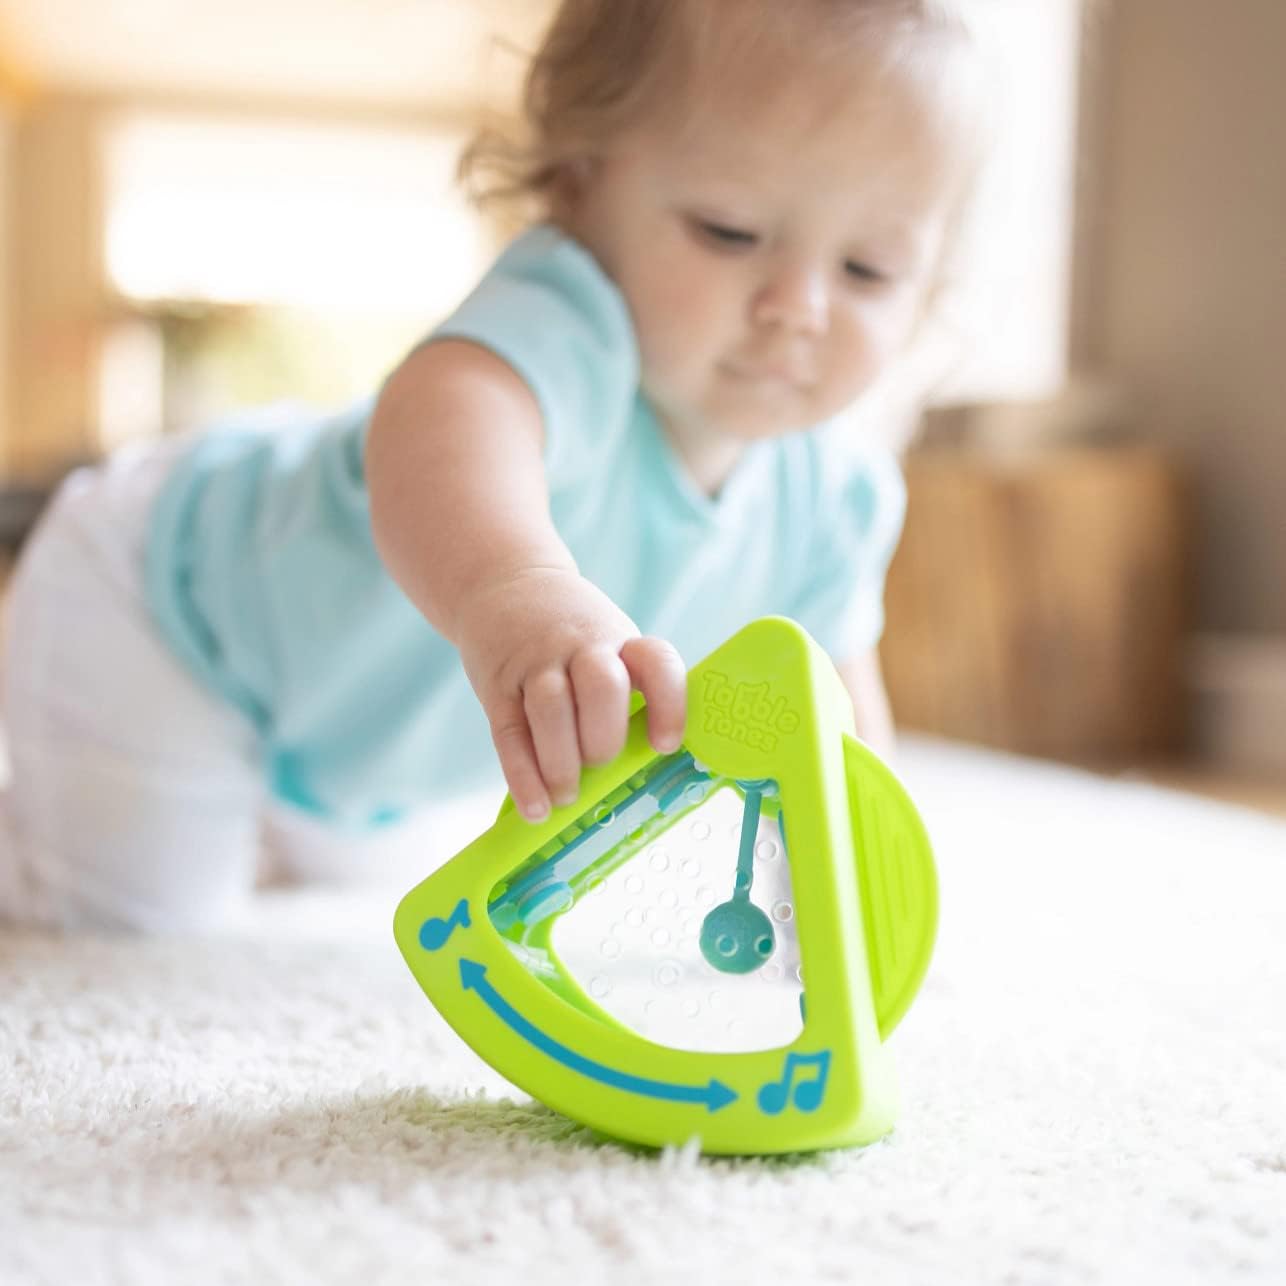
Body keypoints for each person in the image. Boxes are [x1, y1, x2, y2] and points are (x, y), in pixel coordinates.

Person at [0, 0, 986, 932]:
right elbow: (440, 422)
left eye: (868, 270)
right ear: (575, 185)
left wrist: (846, 883)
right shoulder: (564, 322)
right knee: (137, 918)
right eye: (729, 231)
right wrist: (515, 585)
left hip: (349, 737)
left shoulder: (838, 499)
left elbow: (835, 726)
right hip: (174, 610)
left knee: (356, 873)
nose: (798, 305)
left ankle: (252, 813)